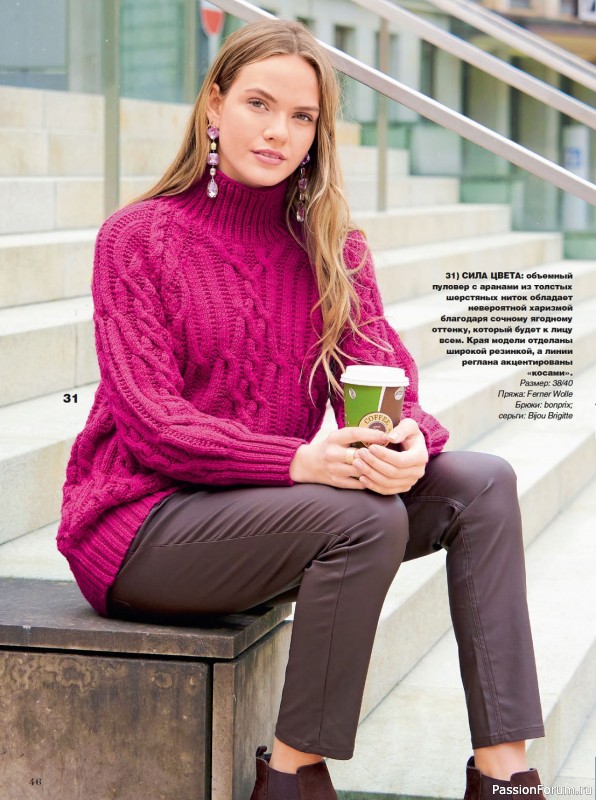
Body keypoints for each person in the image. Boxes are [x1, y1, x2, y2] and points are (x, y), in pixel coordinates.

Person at [57, 19, 548, 800]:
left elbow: (389, 383)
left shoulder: (330, 247)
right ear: (214, 106)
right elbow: (154, 428)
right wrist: (300, 462)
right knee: (362, 516)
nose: (278, 132)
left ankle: (506, 775)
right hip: (141, 529)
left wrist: (409, 442)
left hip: (265, 517)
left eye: (302, 116)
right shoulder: (139, 238)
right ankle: (291, 778)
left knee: (482, 483)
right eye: (259, 104)